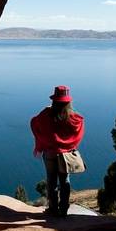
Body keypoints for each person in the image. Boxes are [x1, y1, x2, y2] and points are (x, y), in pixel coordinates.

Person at [30, 85, 85, 217]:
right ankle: (64, 210)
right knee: (65, 181)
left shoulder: (46, 114)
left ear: (54, 100)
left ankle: (53, 209)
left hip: (50, 153)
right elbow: (79, 126)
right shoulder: (73, 118)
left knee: (51, 181)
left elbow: (34, 123)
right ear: (68, 102)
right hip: (66, 155)